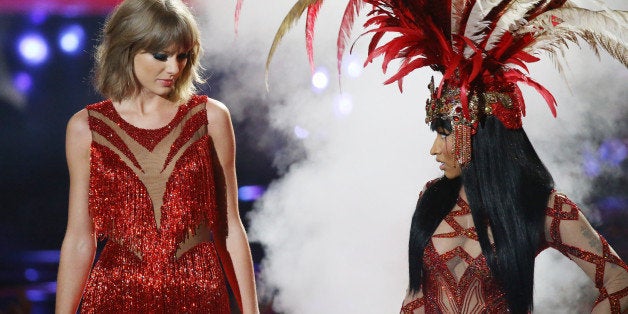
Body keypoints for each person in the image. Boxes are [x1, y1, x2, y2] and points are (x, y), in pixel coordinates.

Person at [265, 0, 628, 312]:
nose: (434, 149)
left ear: (477, 133)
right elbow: (416, 301)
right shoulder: (433, 197)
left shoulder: (544, 206)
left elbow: (619, 282)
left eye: (443, 133)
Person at [55, 0, 259, 313]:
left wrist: (251, 311)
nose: (174, 68)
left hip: (200, 296)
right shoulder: (86, 128)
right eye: (161, 55)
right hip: (116, 297)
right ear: (127, 50)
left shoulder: (211, 118)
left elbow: (229, 226)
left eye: (183, 55)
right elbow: (80, 238)